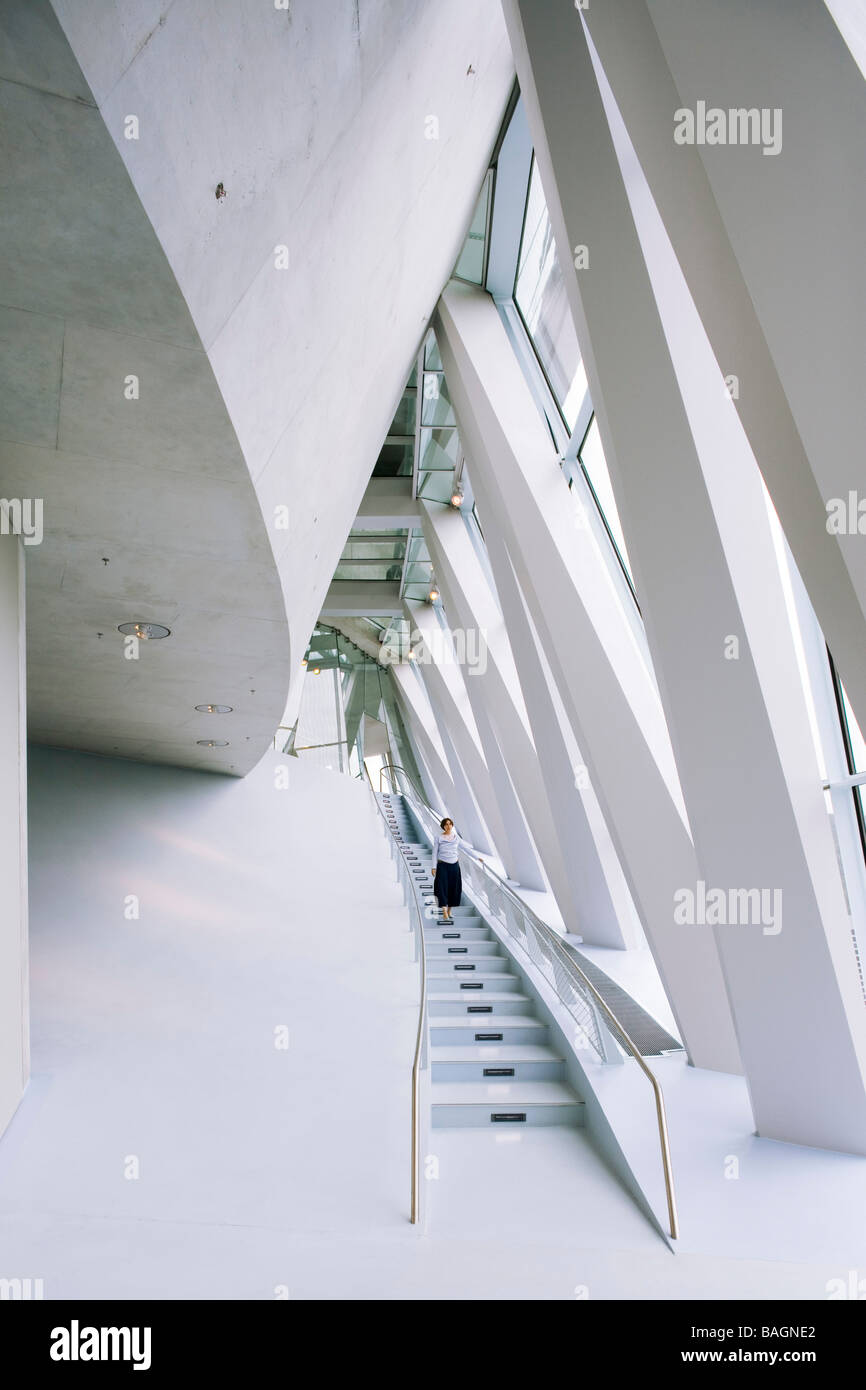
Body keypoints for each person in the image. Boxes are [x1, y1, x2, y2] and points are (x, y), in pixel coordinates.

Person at [431, 817, 482, 921]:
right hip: (442, 865)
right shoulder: (438, 837)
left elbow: (466, 849)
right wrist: (433, 867)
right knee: (442, 887)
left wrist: (477, 857)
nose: (448, 826)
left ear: (452, 825)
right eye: (446, 824)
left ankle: (449, 911)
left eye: (450, 824)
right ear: (443, 826)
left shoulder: (456, 838)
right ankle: (444, 911)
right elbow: (434, 853)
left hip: (454, 866)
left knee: (454, 888)